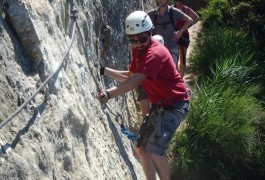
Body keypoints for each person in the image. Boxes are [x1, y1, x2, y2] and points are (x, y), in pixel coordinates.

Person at [98, 11, 189, 180]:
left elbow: (134, 82)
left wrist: (109, 94)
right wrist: (104, 71)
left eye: (142, 39)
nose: (138, 43)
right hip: (161, 104)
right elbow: (131, 76)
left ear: (150, 33)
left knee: (155, 149)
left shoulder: (155, 53)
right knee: (142, 147)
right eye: (133, 39)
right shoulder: (138, 52)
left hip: (175, 104)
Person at [147, 0, 193, 67]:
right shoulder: (153, 13)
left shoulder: (173, 11)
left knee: (172, 69)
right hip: (159, 49)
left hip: (172, 46)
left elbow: (190, 20)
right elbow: (141, 18)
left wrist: (180, 32)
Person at [174, 0, 200, 77]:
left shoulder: (186, 9)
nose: (178, 2)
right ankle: (175, 78)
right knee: (175, 58)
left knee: (183, 58)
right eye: (176, 0)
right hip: (174, 36)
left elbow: (197, 18)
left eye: (180, 0)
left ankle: (181, 79)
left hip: (184, 36)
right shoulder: (171, 9)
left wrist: (188, 26)